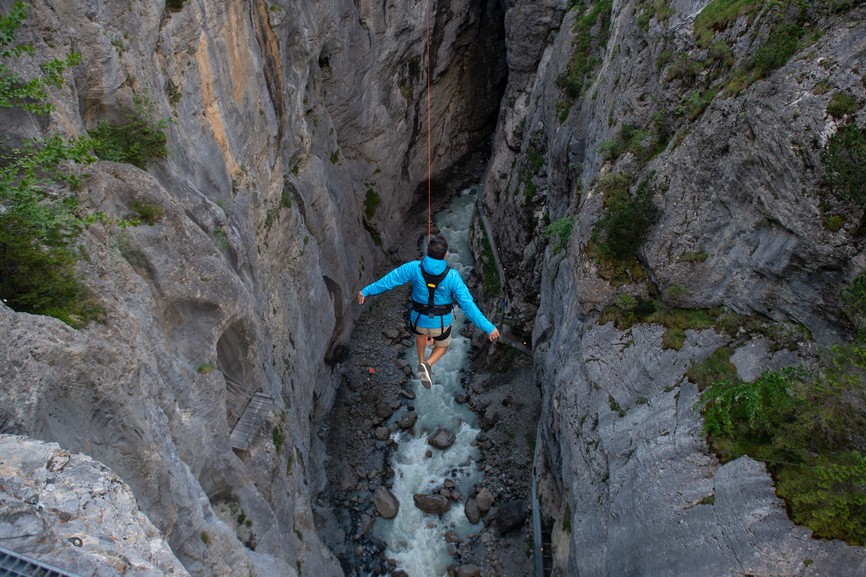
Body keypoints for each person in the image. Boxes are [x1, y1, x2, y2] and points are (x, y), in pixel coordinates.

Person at [357, 235, 500, 388]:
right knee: (443, 346)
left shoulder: (413, 268)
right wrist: (488, 327)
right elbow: (468, 306)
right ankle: (428, 363)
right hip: (440, 324)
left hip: (418, 320)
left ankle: (420, 362)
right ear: (445, 255)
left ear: (427, 252)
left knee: (421, 335)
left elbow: (390, 280)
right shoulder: (452, 277)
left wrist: (366, 291)